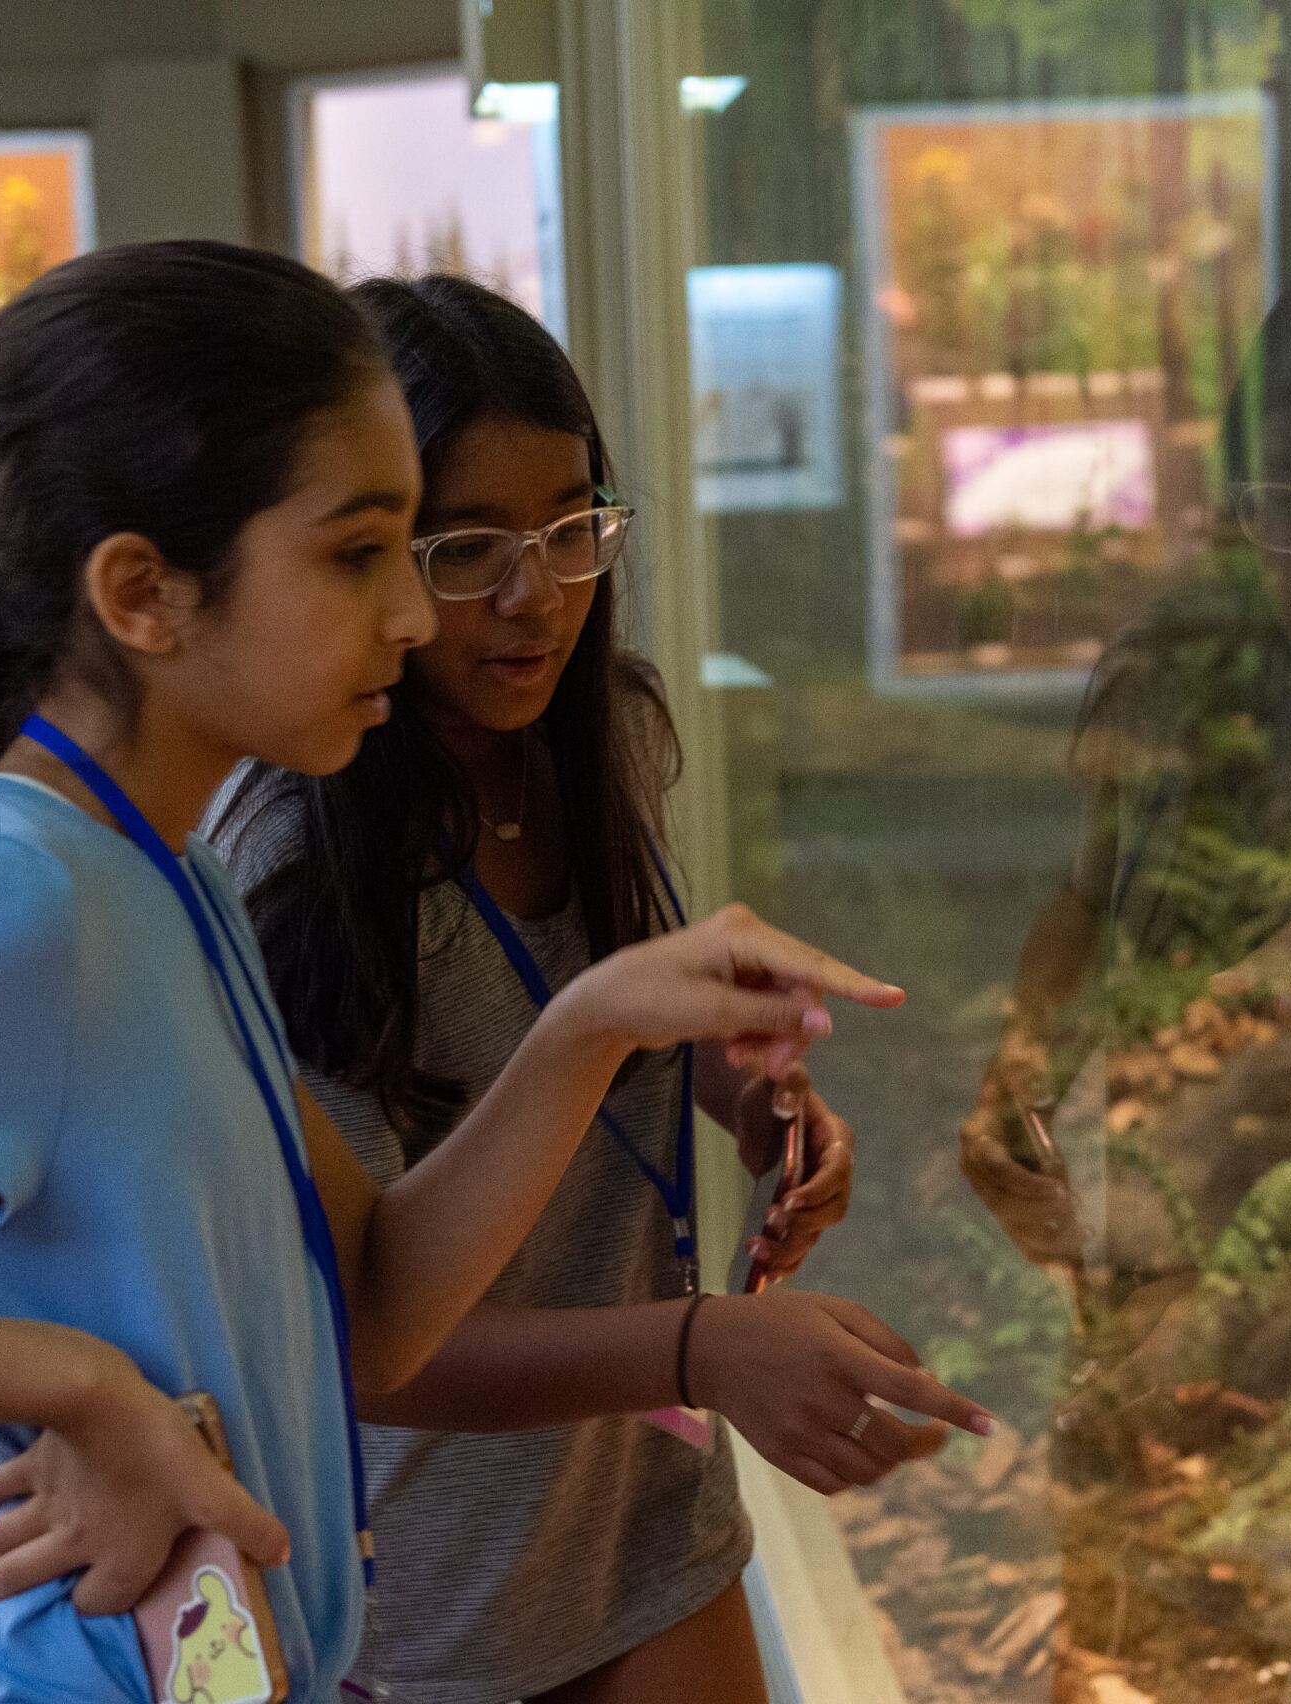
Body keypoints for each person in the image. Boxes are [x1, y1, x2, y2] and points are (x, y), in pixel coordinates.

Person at [0, 241, 908, 1704]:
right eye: (359, 554)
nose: (412, 615)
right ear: (144, 593)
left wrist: (596, 1021)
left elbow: (374, 1305)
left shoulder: (162, 863)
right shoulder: (12, 897)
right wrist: (65, 1382)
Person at [210, 274, 986, 1704]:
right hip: (427, 1583)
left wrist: (760, 1109)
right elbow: (355, 1343)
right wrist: (700, 1346)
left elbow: (624, 1022)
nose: (538, 595)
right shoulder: (293, 858)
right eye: (469, 548)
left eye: (574, 528)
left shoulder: (596, 731)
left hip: (640, 1515)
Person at [955, 244, 1291, 1434]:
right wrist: (1023, 1072)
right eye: (1288, 507)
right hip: (1162, 1269)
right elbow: (1087, 902)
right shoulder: (1180, 674)